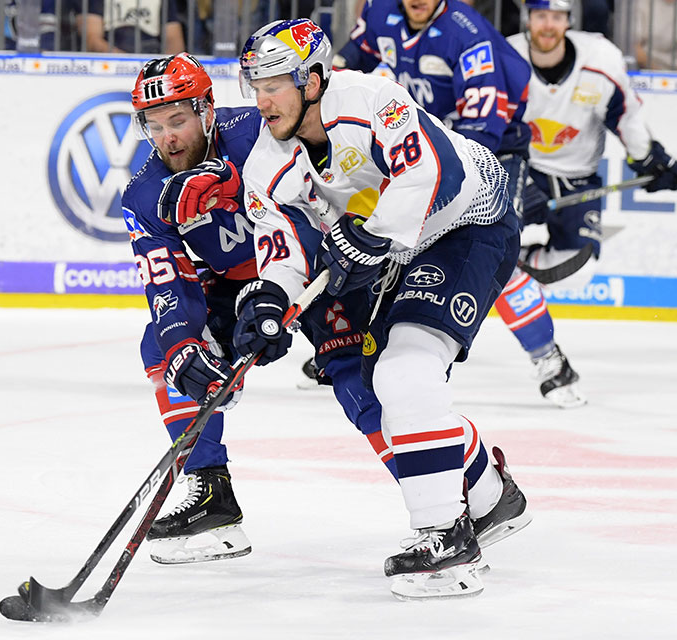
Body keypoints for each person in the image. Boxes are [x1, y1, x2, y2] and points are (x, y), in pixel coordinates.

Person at [236, 18, 531, 599]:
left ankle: (446, 539)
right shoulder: (266, 163)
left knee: (407, 371)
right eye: (254, 84)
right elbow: (283, 245)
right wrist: (270, 301)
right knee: (381, 392)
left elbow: (430, 171)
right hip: (400, 250)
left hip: (470, 222)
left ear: (314, 80)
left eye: (275, 83)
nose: (261, 99)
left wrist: (372, 237)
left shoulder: (374, 98)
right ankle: (495, 499)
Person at [124, 52, 385, 564]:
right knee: (162, 348)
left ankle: (451, 496)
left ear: (206, 110)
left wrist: (231, 186)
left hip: (322, 266)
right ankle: (212, 496)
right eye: (153, 126)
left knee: (358, 381)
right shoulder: (144, 195)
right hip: (241, 285)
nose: (167, 137)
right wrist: (182, 346)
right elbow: (167, 282)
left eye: (177, 120)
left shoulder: (257, 133)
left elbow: (321, 198)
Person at [334, 0, 587, 408]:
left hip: (487, 156)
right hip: (417, 152)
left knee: (487, 253)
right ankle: (354, 345)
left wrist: (438, 188)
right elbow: (351, 59)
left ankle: (550, 359)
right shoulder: (380, 11)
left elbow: (483, 131)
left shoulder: (468, 38)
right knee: (388, 245)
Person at [507, 2, 677, 303]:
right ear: (528, 19)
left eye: (556, 17)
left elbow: (626, 115)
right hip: (523, 170)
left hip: (578, 178)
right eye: (540, 16)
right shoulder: (507, 56)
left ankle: (511, 265)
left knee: (578, 270)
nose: (548, 25)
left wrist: (647, 158)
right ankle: (494, 258)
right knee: (480, 238)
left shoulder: (600, 58)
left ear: (568, 21)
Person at [86, 0, 185, 53]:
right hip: (113, 46)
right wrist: (124, 61)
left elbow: (174, 40)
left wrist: (163, 66)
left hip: (150, 49)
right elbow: (92, 38)